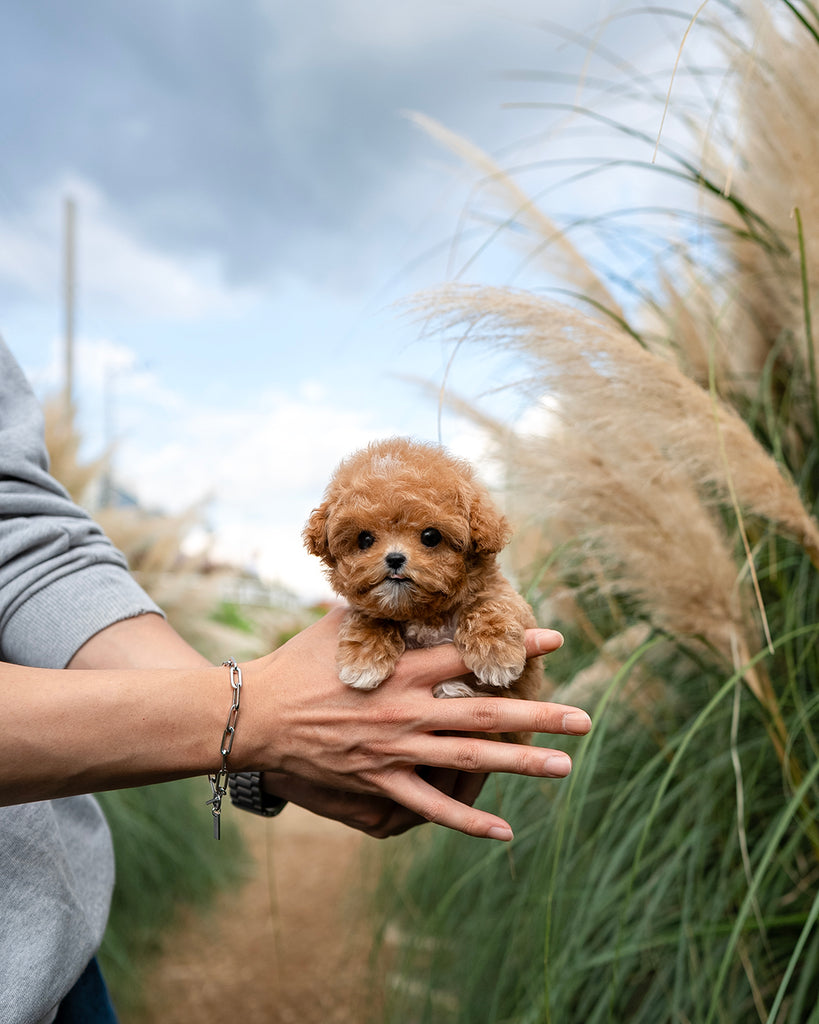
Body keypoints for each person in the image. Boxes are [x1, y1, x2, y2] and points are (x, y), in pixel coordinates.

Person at [0, 337, 592, 1024]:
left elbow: (24, 545)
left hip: (56, 950)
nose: (394, 557)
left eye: (429, 539)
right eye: (364, 540)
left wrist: (264, 738)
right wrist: (258, 720)